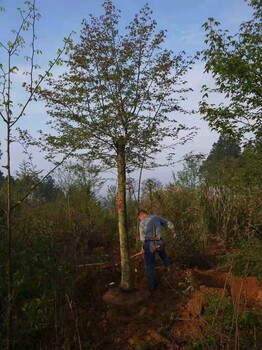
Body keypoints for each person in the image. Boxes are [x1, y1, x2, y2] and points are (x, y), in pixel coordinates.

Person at [138, 209, 177, 293]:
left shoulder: (141, 223)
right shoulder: (156, 217)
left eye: (140, 218)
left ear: (141, 216)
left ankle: (151, 288)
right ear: (147, 214)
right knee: (164, 256)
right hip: (159, 241)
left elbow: (142, 238)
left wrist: (143, 247)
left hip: (149, 244)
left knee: (150, 265)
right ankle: (169, 272)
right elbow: (168, 224)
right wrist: (173, 231)